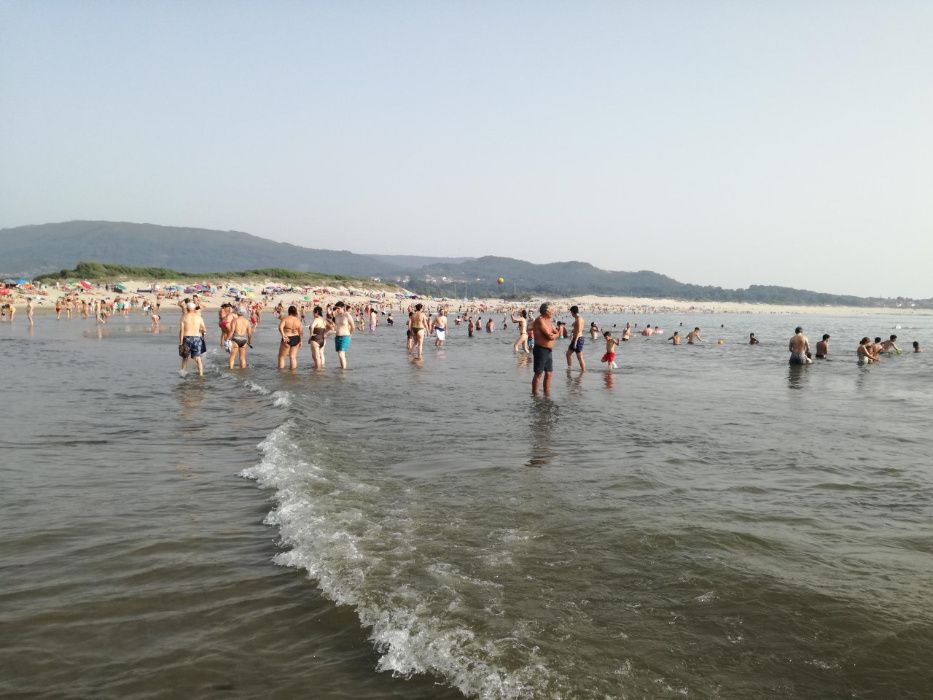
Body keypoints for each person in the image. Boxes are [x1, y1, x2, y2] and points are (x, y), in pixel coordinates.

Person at [531, 302, 560, 396]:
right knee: (539, 373)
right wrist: (555, 334)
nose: (553, 311)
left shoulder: (549, 320)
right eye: (552, 310)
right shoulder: (540, 320)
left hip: (549, 351)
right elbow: (549, 336)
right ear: (547, 311)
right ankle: (535, 395)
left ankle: (546, 394)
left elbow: (557, 333)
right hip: (540, 350)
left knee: (549, 373)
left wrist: (555, 334)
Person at [179, 302, 207, 376]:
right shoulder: (199, 317)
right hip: (197, 338)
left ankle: (183, 374)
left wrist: (181, 342)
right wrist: (200, 331)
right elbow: (204, 330)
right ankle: (201, 375)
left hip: (187, 338)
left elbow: (181, 331)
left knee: (185, 358)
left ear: (187, 309)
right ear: (194, 309)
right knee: (198, 358)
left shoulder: (184, 317)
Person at [278, 305, 303, 369]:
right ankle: (293, 374)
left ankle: (280, 374)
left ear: (289, 311)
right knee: (293, 357)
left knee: (281, 357)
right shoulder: (298, 321)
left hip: (287, 338)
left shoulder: (285, 319)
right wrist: (301, 341)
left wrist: (283, 335)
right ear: (295, 312)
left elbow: (280, 327)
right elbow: (301, 332)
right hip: (296, 338)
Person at [332, 300, 355, 369]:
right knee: (340, 354)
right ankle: (342, 368)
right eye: (336, 308)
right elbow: (336, 326)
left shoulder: (347, 315)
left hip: (345, 336)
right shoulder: (336, 316)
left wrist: (350, 335)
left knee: (341, 354)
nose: (337, 310)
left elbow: (353, 326)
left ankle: (343, 371)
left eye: (338, 308)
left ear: (343, 308)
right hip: (337, 337)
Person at [566, 305, 585, 370]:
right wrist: (572, 333)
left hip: (578, 339)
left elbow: (579, 331)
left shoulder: (579, 319)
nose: (571, 314)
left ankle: (583, 370)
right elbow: (575, 328)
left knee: (579, 356)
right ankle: (569, 368)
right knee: (568, 354)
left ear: (573, 312)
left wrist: (575, 342)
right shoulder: (578, 319)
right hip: (576, 339)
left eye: (571, 312)